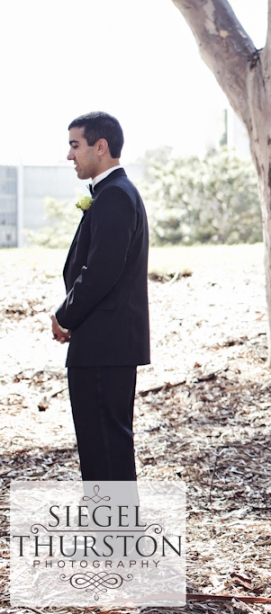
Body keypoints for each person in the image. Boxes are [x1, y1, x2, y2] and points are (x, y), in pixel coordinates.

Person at [50, 111, 150, 482]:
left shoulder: (115, 197)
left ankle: (115, 539)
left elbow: (101, 272)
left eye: (75, 145)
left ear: (100, 146)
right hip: (107, 345)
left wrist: (65, 316)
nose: (69, 155)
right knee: (103, 449)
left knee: (104, 449)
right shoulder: (114, 193)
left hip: (103, 346)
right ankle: (111, 537)